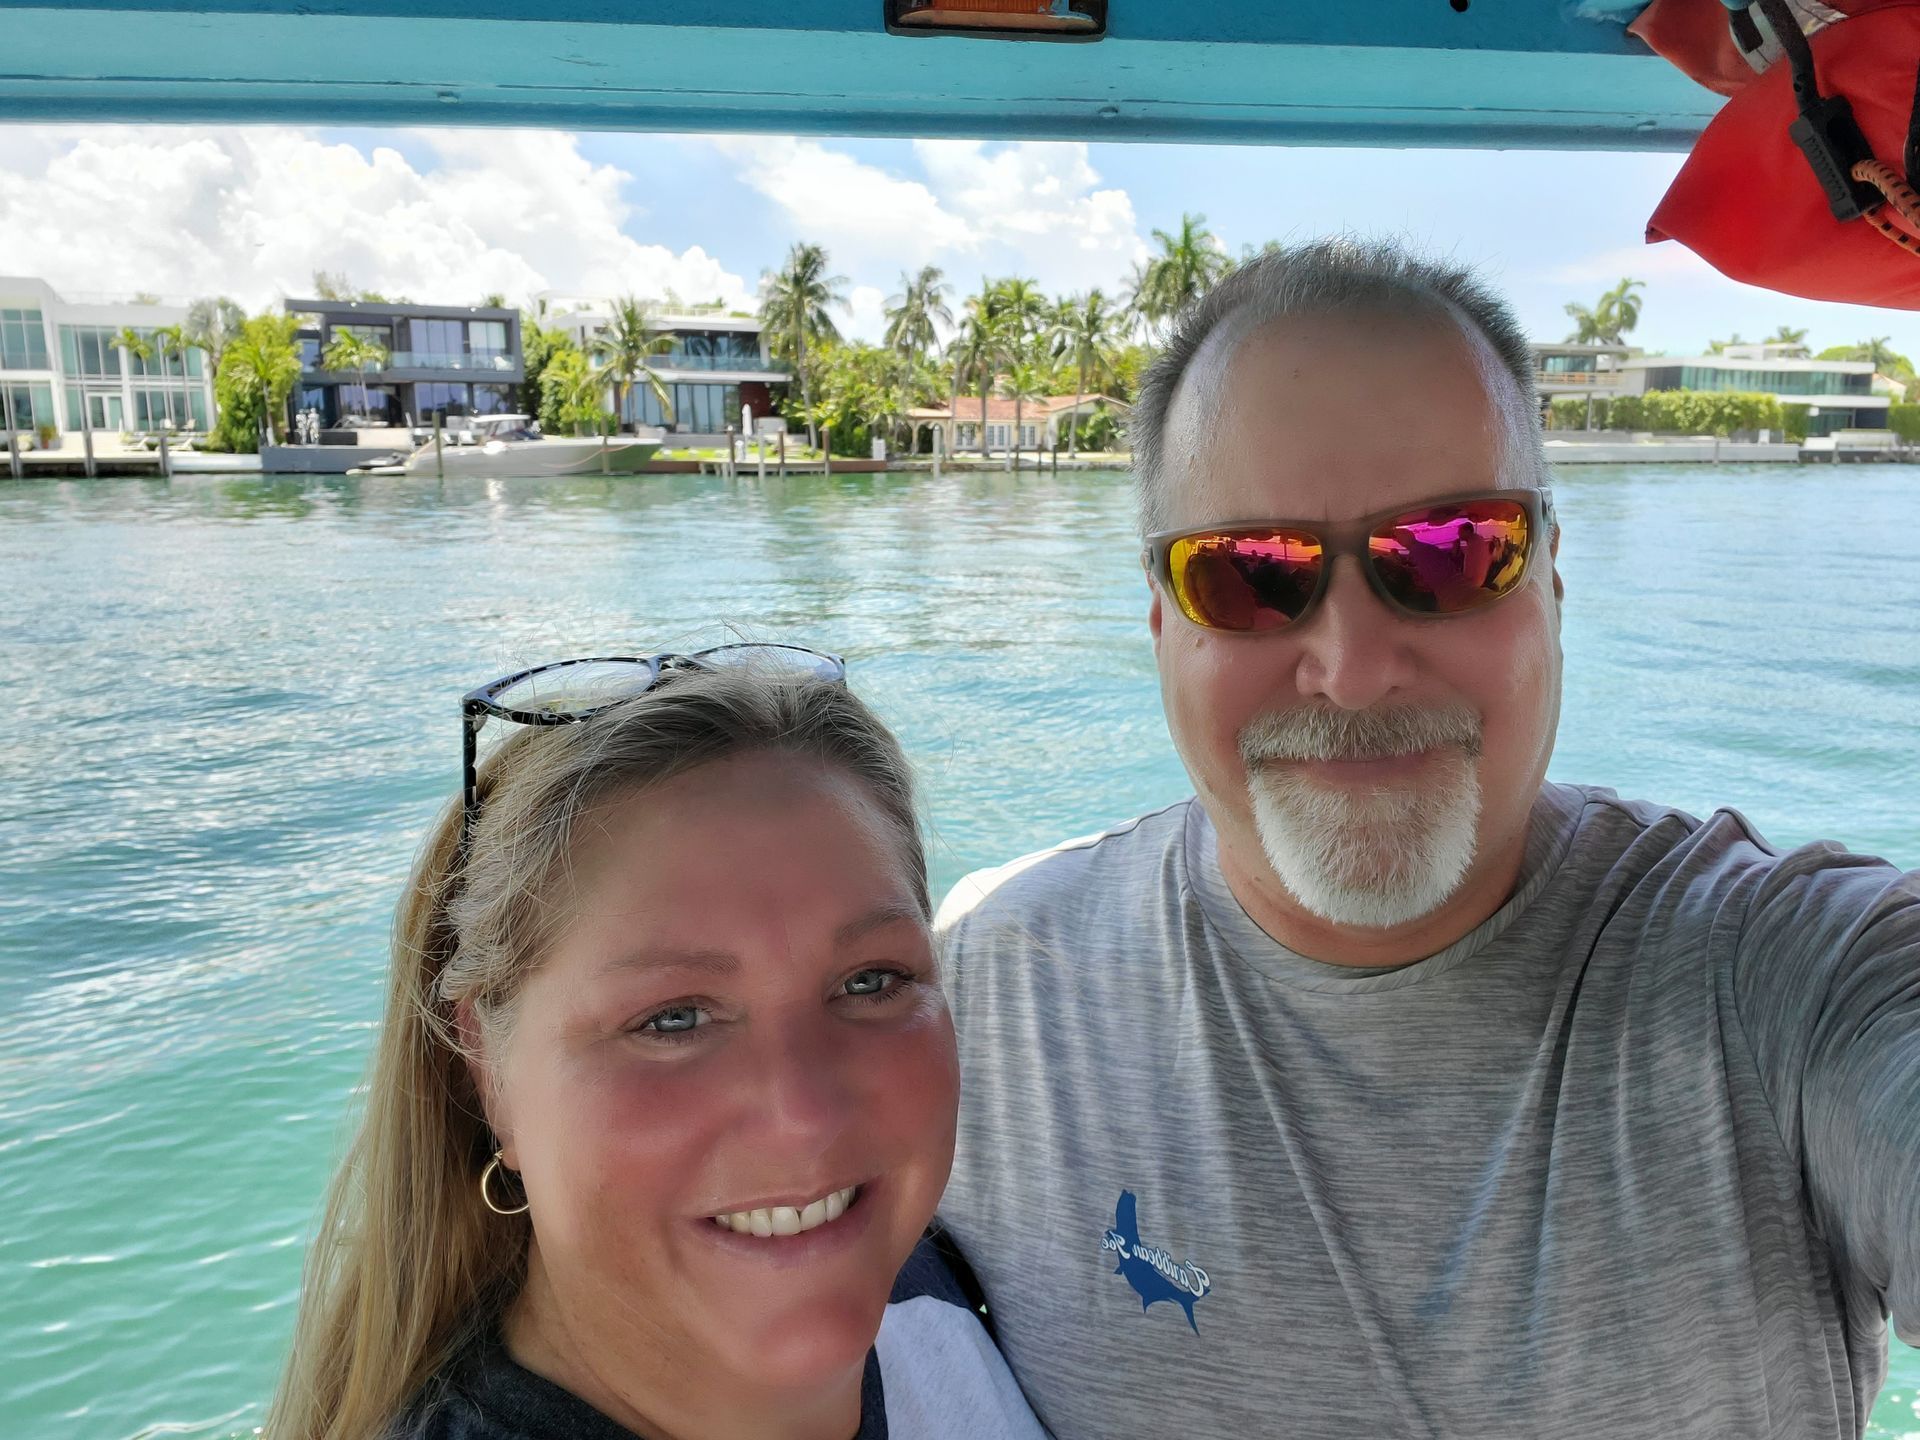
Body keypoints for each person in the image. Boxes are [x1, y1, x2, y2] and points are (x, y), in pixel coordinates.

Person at [935, 240, 1919, 1439]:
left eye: (1451, 553)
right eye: (1248, 574)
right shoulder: (982, 990)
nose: (1352, 671)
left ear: (1548, 579)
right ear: (1160, 620)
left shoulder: (1785, 977)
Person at [266, 647, 1046, 1440]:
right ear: (488, 1071)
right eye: (672, 1019)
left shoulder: (913, 1279)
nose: (804, 1118)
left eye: (870, 981)